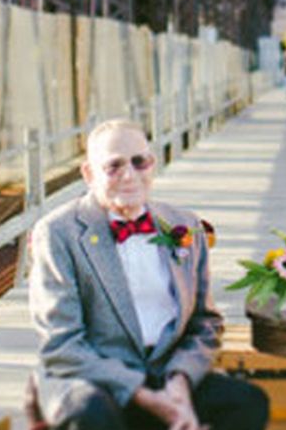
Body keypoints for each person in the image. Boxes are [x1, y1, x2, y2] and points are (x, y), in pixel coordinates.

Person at [28, 118, 269, 430]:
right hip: (94, 380)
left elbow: (205, 322)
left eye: (140, 162)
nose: (130, 175)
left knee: (247, 403)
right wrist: (143, 395)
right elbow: (62, 345)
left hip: (167, 373)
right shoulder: (58, 233)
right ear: (88, 174)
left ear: (153, 164)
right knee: (92, 417)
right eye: (113, 166)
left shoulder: (184, 225)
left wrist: (179, 384)